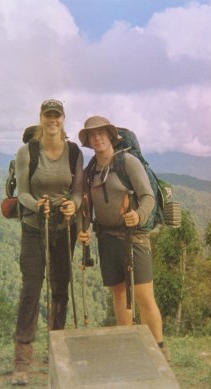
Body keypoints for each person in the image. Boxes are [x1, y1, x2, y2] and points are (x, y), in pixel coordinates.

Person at [77, 115, 169, 360]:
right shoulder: (90, 170)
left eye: (101, 133)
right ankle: (126, 344)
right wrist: (83, 228)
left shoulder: (127, 162)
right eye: (92, 135)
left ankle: (159, 348)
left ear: (110, 136)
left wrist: (138, 215)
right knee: (118, 292)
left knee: (142, 294)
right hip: (106, 237)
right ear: (89, 141)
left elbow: (147, 196)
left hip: (133, 237)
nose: (97, 138)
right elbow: (86, 206)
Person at [11, 99, 83, 385]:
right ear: (41, 118)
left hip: (64, 228)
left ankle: (57, 348)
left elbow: (77, 192)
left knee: (60, 288)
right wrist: (37, 205)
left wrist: (72, 207)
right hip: (33, 226)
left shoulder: (74, 152)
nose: (52, 120)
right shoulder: (27, 152)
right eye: (48, 115)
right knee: (31, 288)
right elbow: (22, 192)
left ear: (63, 119)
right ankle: (21, 361)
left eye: (57, 116)